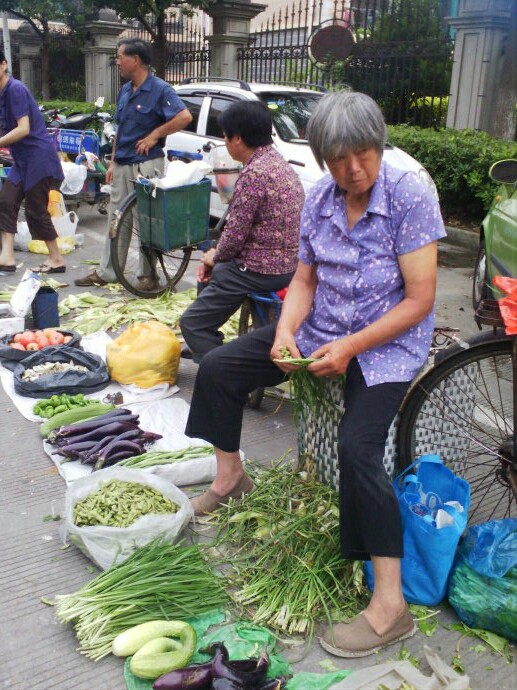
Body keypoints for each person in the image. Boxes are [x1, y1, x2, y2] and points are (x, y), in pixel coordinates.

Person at [184, 91, 446, 657]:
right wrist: (283, 333)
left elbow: (420, 299)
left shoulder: (409, 194)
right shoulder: (321, 198)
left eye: (364, 154)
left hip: (384, 348)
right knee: (221, 366)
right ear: (322, 158)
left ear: (380, 144)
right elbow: (303, 281)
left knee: (358, 449)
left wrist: (351, 347)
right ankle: (231, 477)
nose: (354, 170)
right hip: (319, 331)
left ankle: (389, 607)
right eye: (339, 159)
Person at [179, 100, 304, 362]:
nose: (224, 141)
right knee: (214, 269)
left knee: (190, 322)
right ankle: (205, 338)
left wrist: (213, 255)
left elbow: (234, 237)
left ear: (237, 138)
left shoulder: (254, 173)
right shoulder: (280, 164)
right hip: (288, 264)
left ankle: (216, 359)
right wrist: (215, 257)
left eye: (225, 136)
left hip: (261, 270)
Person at [74, 38, 192, 289]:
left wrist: (154, 135)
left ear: (135, 59)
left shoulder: (161, 89)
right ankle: (108, 272)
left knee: (146, 222)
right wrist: (114, 162)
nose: (117, 61)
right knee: (116, 220)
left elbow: (184, 116)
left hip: (148, 165)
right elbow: (120, 129)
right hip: (124, 163)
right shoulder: (126, 90)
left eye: (120, 57)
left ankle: (147, 276)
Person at [0, 51, 65, 274]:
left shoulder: (15, 89)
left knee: (36, 210)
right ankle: (7, 257)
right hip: (22, 160)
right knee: (7, 201)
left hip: (38, 158)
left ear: (3, 65)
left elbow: (23, 128)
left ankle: (56, 258)